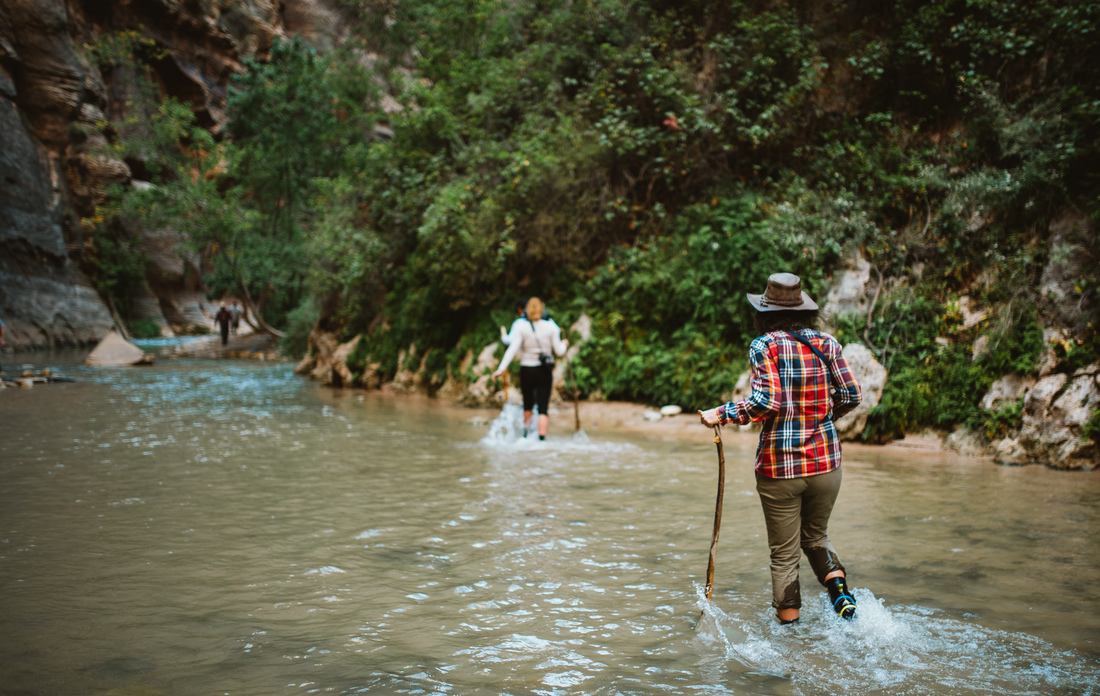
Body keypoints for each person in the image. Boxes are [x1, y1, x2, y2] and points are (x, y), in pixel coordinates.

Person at [698, 272, 863, 625]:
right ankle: (841, 593)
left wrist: (721, 414)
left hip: (780, 468)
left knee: (784, 555)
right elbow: (852, 395)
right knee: (816, 535)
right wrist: (820, 418)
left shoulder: (764, 345)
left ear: (764, 312)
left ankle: (789, 637)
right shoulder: (828, 343)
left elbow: (765, 402)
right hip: (826, 465)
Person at [492, 296, 568, 440]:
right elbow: (559, 351)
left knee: (527, 404)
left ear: (527, 310)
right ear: (542, 309)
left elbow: (512, 348)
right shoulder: (551, 326)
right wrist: (565, 344)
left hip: (526, 369)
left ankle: (526, 436)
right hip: (544, 370)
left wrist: (501, 368)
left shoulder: (521, 326)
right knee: (543, 408)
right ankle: (541, 439)